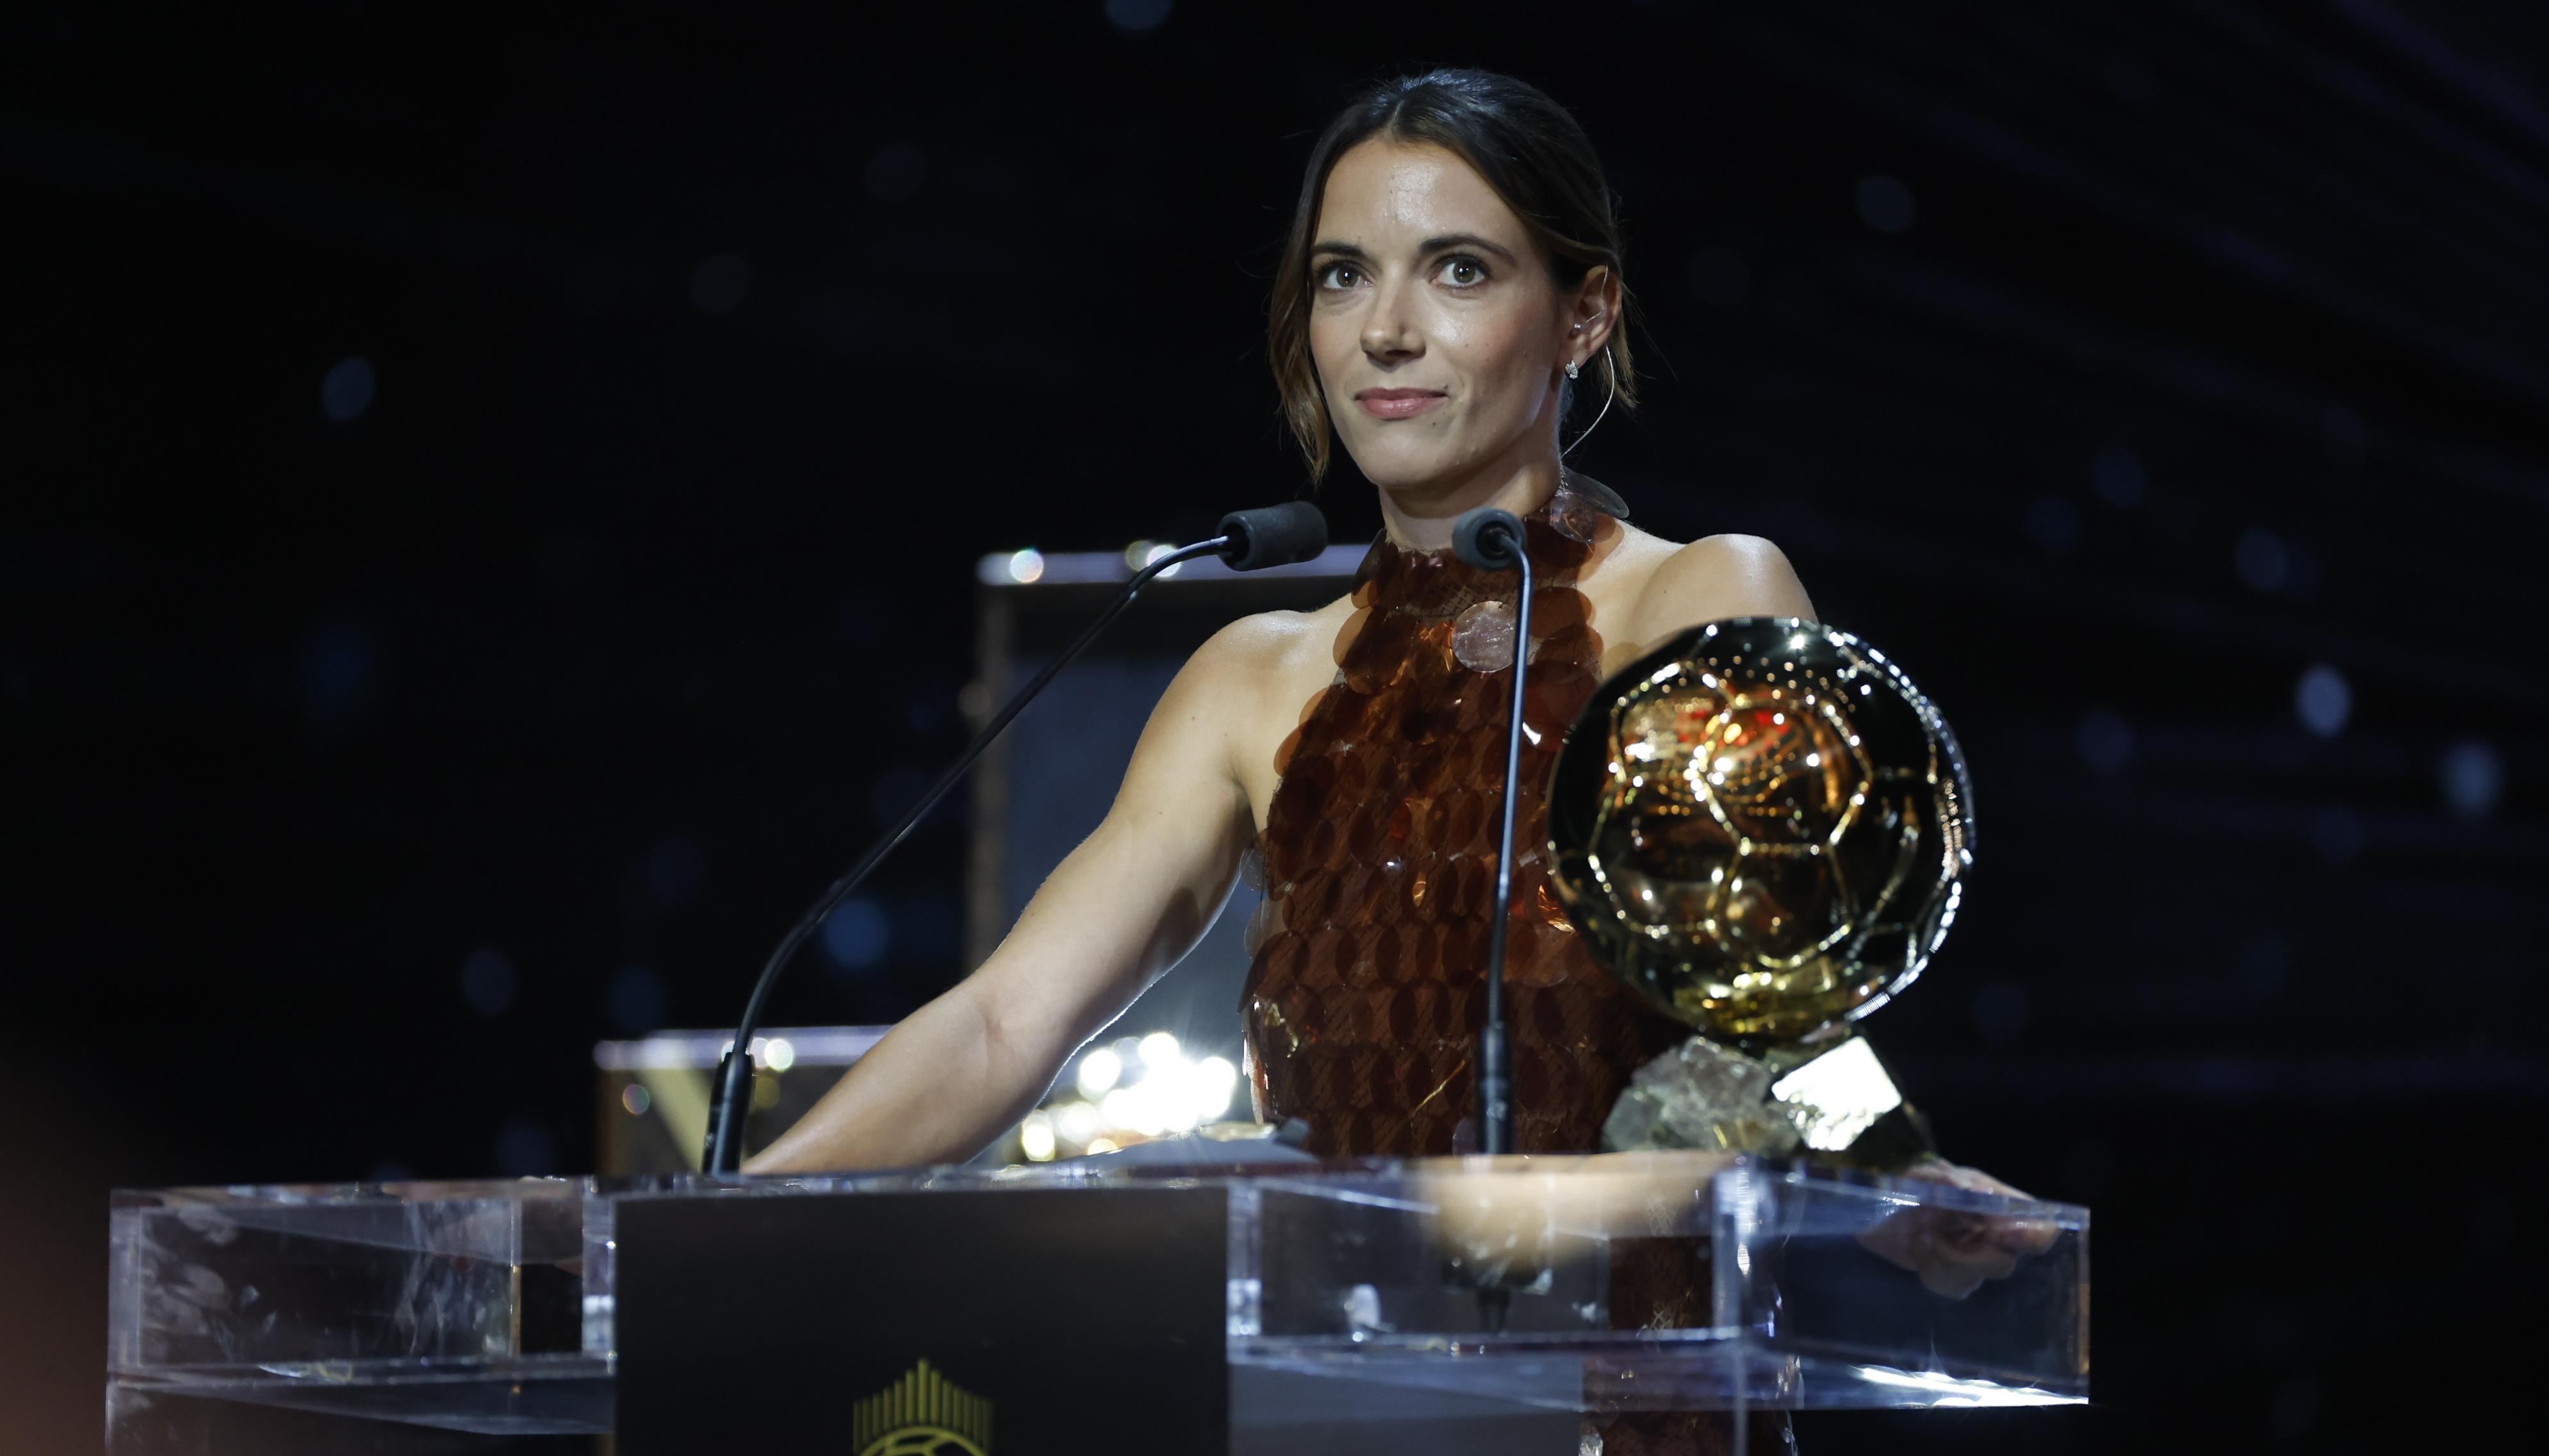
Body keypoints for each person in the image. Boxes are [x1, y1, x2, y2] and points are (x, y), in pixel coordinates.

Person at [753, 69, 2015, 1453]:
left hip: (1638, 1410)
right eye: (1343, 277)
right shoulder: (1250, 676)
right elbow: (1004, 1025)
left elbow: (1778, 1018)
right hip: (1334, 1412)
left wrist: (1894, 1167)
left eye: (1458, 271)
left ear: (1582, 311)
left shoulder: (1699, 597)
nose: (1388, 332)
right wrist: (709, 1231)